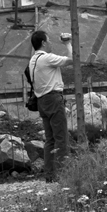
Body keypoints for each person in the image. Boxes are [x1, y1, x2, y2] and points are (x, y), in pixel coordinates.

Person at [29, 30, 73, 183]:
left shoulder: (33, 60)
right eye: (48, 40)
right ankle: (63, 174)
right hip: (53, 99)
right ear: (43, 43)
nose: (50, 43)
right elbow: (72, 59)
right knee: (61, 137)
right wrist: (67, 43)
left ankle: (50, 174)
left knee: (50, 139)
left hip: (42, 101)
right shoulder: (47, 58)